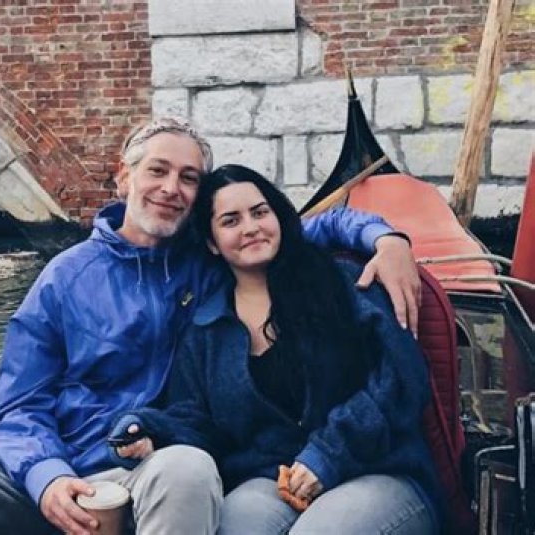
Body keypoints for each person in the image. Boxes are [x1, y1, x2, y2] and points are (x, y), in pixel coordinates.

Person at [0, 118, 421, 535]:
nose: (171, 188)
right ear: (123, 176)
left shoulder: (206, 261)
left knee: (186, 467)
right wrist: (48, 477)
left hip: (143, 471)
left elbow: (293, 231)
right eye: (157, 170)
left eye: (188, 178)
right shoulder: (62, 278)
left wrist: (386, 238)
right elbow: (15, 410)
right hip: (47, 472)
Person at [110, 164, 443, 534]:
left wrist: (329, 454)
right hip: (270, 479)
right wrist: (151, 431)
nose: (251, 227)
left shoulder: (344, 281)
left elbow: (401, 377)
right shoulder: (205, 330)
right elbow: (198, 422)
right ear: (211, 242)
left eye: (259, 212)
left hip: (378, 470)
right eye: (231, 221)